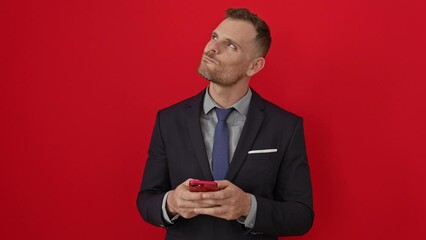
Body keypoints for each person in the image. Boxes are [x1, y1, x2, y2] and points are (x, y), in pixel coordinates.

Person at [137, 8, 314, 240]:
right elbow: (146, 199)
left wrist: (248, 207)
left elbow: (301, 216)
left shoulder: (285, 127)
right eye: (214, 37)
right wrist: (170, 203)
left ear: (254, 66)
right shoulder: (168, 120)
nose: (212, 48)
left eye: (230, 45)